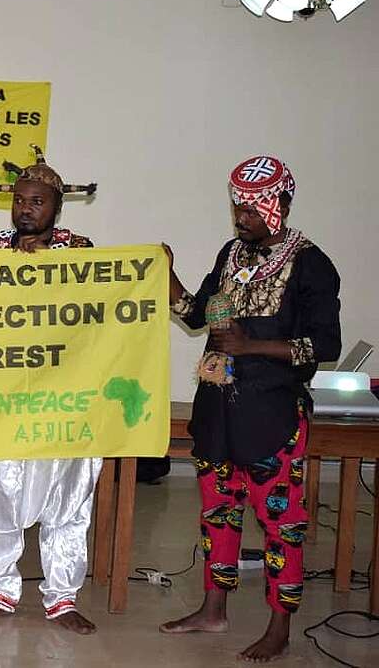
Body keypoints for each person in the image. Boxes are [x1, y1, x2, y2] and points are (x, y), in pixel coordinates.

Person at [159, 155, 341, 663]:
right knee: (218, 515)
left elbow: (324, 344)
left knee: (282, 524)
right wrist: (167, 273)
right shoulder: (232, 253)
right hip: (217, 411)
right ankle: (213, 609)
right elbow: (199, 316)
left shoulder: (311, 263)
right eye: (238, 206)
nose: (242, 217)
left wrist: (252, 347)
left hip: (272, 416)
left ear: (280, 203)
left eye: (253, 208)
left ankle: (279, 625)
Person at [0, 147, 101, 634]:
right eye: (19, 200)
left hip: (64, 398)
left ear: (56, 207)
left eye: (36, 201)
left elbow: (101, 316)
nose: (24, 209)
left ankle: (62, 596)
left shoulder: (82, 256)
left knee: (68, 495)